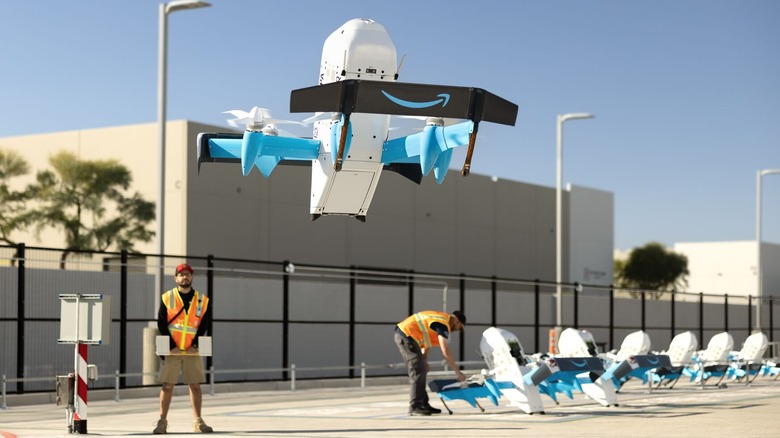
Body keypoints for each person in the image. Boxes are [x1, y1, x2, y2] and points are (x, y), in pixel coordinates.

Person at [153, 264, 213, 434]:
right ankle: (162, 421)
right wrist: (172, 346)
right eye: (181, 274)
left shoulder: (202, 299)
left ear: (191, 277)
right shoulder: (167, 297)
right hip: (173, 350)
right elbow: (161, 323)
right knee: (167, 385)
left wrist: (195, 345)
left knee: (195, 385)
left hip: (192, 350)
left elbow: (203, 324)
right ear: (176, 278)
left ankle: (198, 422)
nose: (185, 277)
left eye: (187, 274)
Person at [394, 310, 466, 416]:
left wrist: (425, 360)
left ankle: (423, 404)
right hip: (406, 336)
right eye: (459, 327)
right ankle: (415, 406)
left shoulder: (439, 320)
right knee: (417, 371)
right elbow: (445, 351)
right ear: (455, 320)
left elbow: (426, 340)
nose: (458, 330)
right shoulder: (442, 323)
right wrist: (457, 372)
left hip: (408, 336)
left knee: (421, 369)